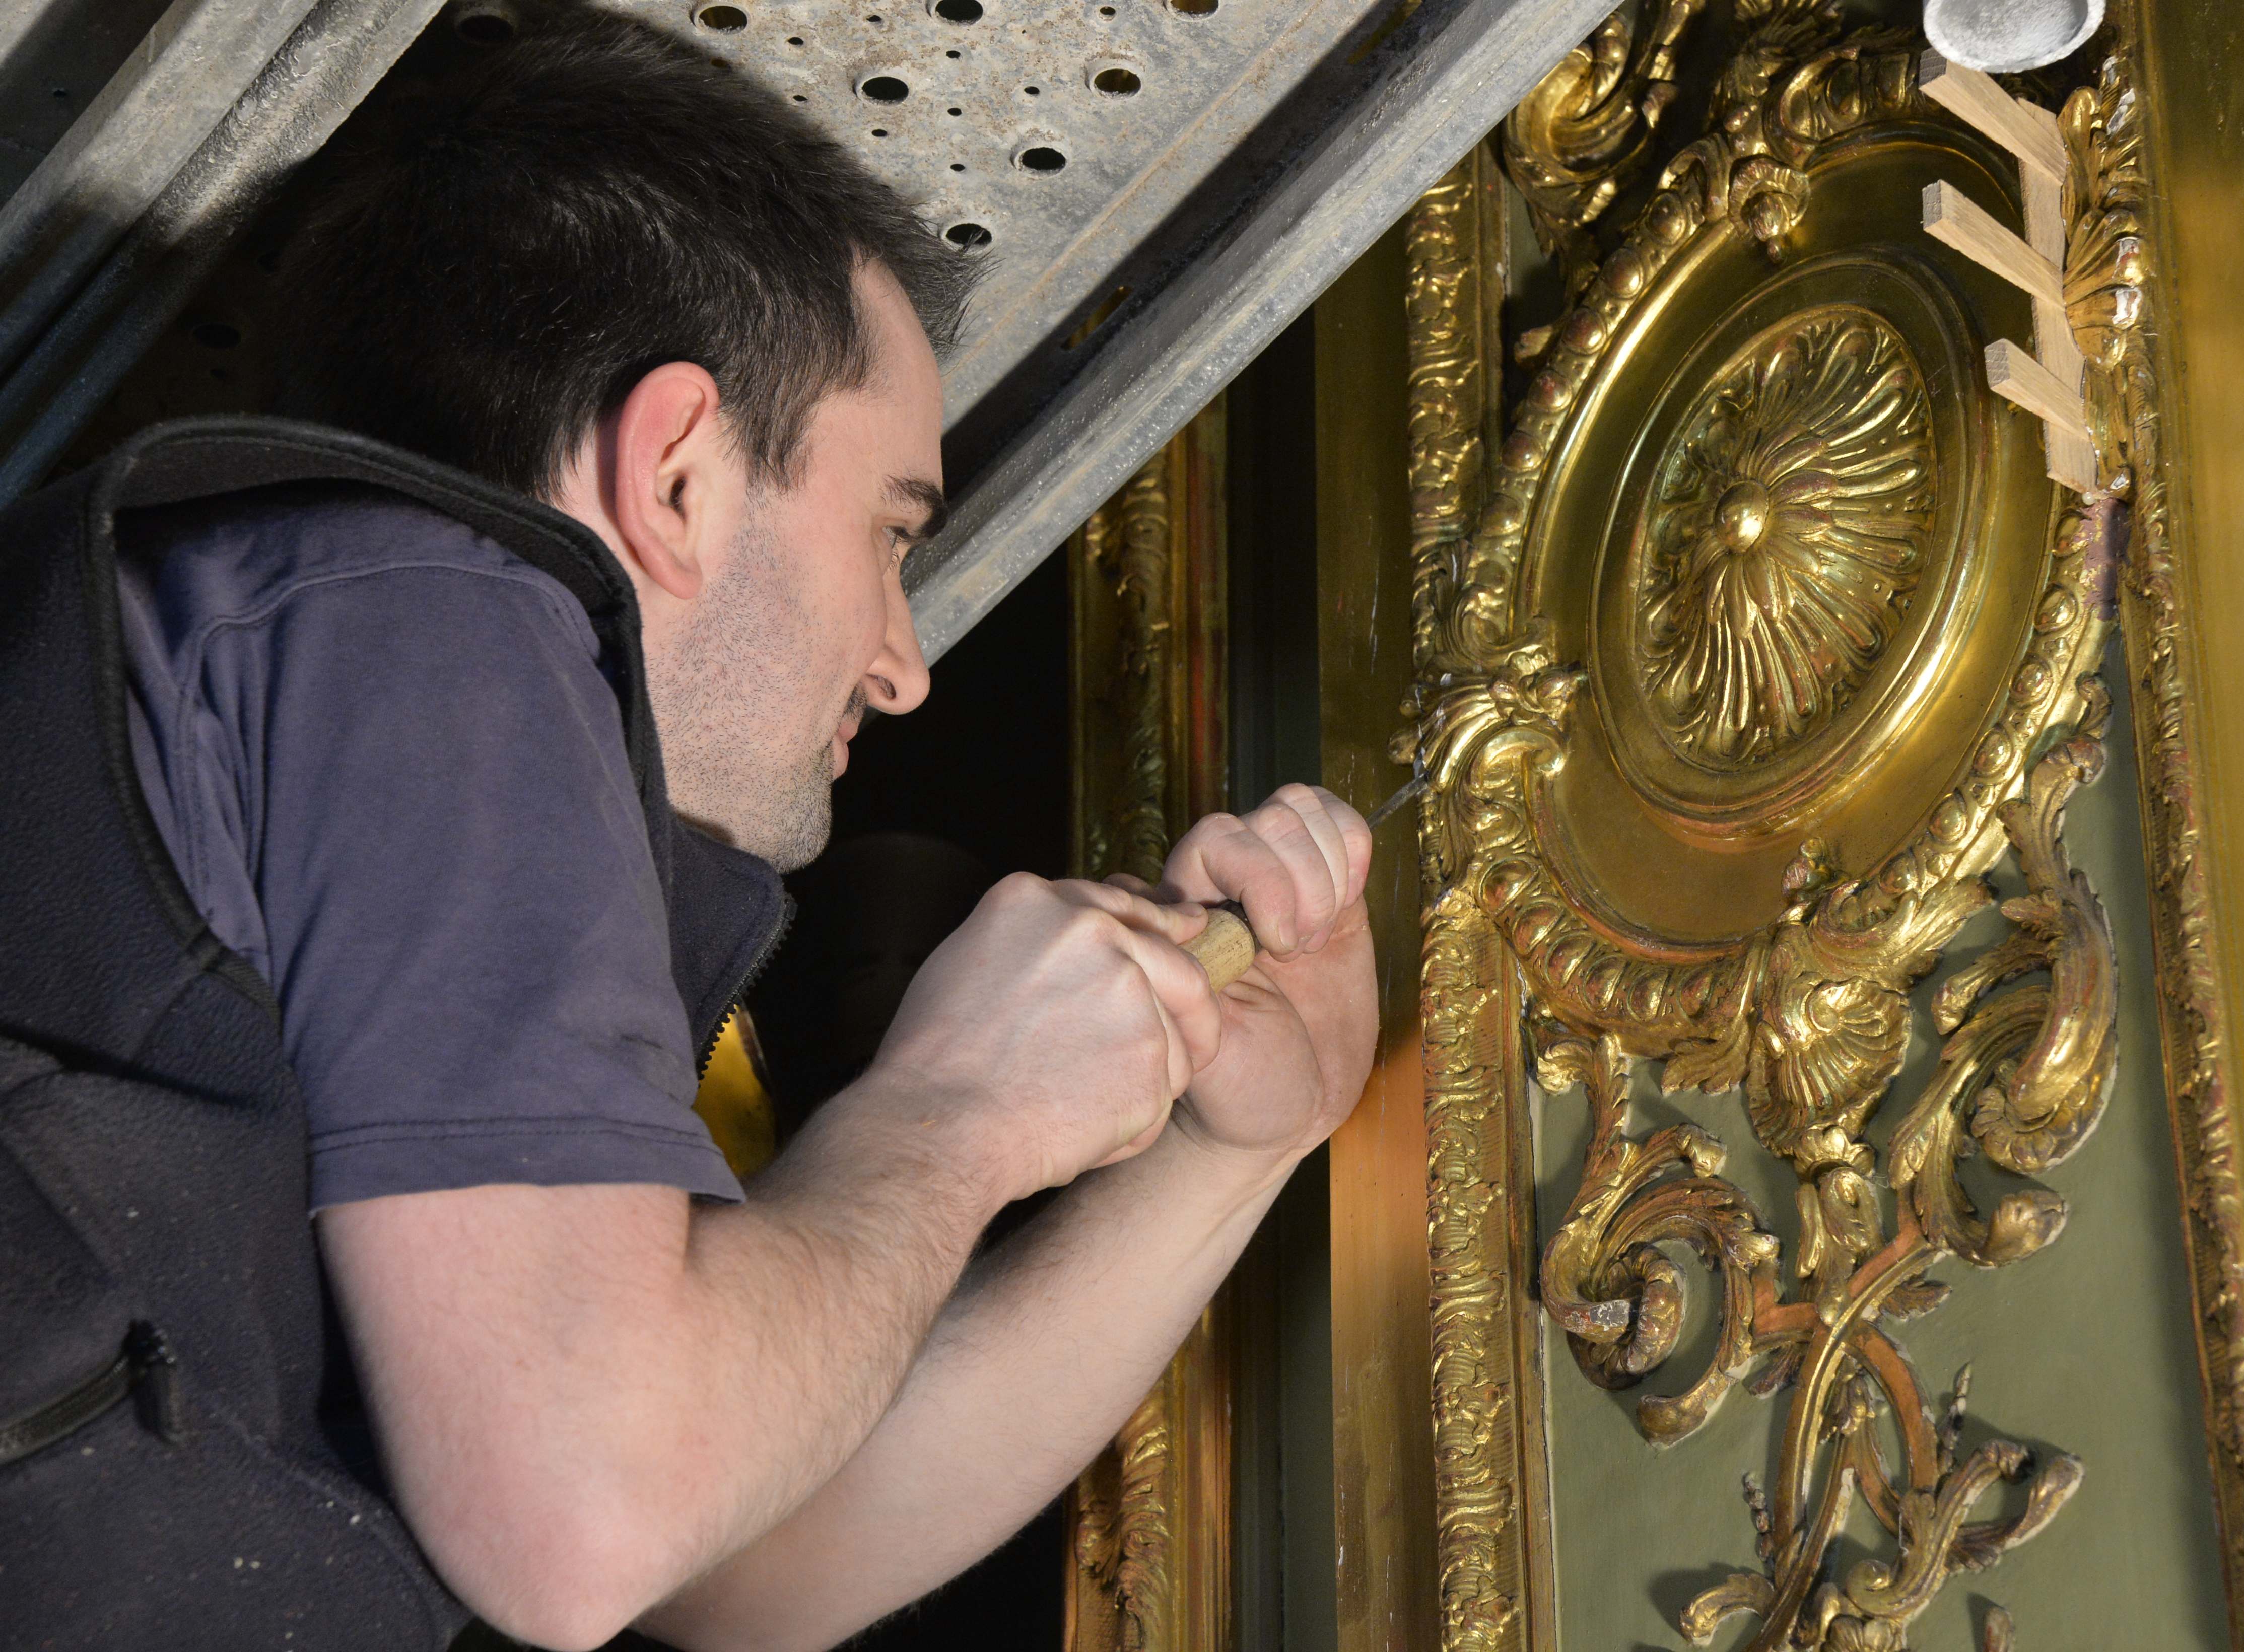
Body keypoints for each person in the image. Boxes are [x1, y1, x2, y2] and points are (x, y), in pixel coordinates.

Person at [2, 15, 1376, 1651]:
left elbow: (741, 1557)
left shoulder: (368, 699)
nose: (903, 661)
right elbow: (594, 1509)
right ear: (673, 475)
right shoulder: (428, 620)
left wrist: (1237, 1152)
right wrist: (955, 1112)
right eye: (888, 532)